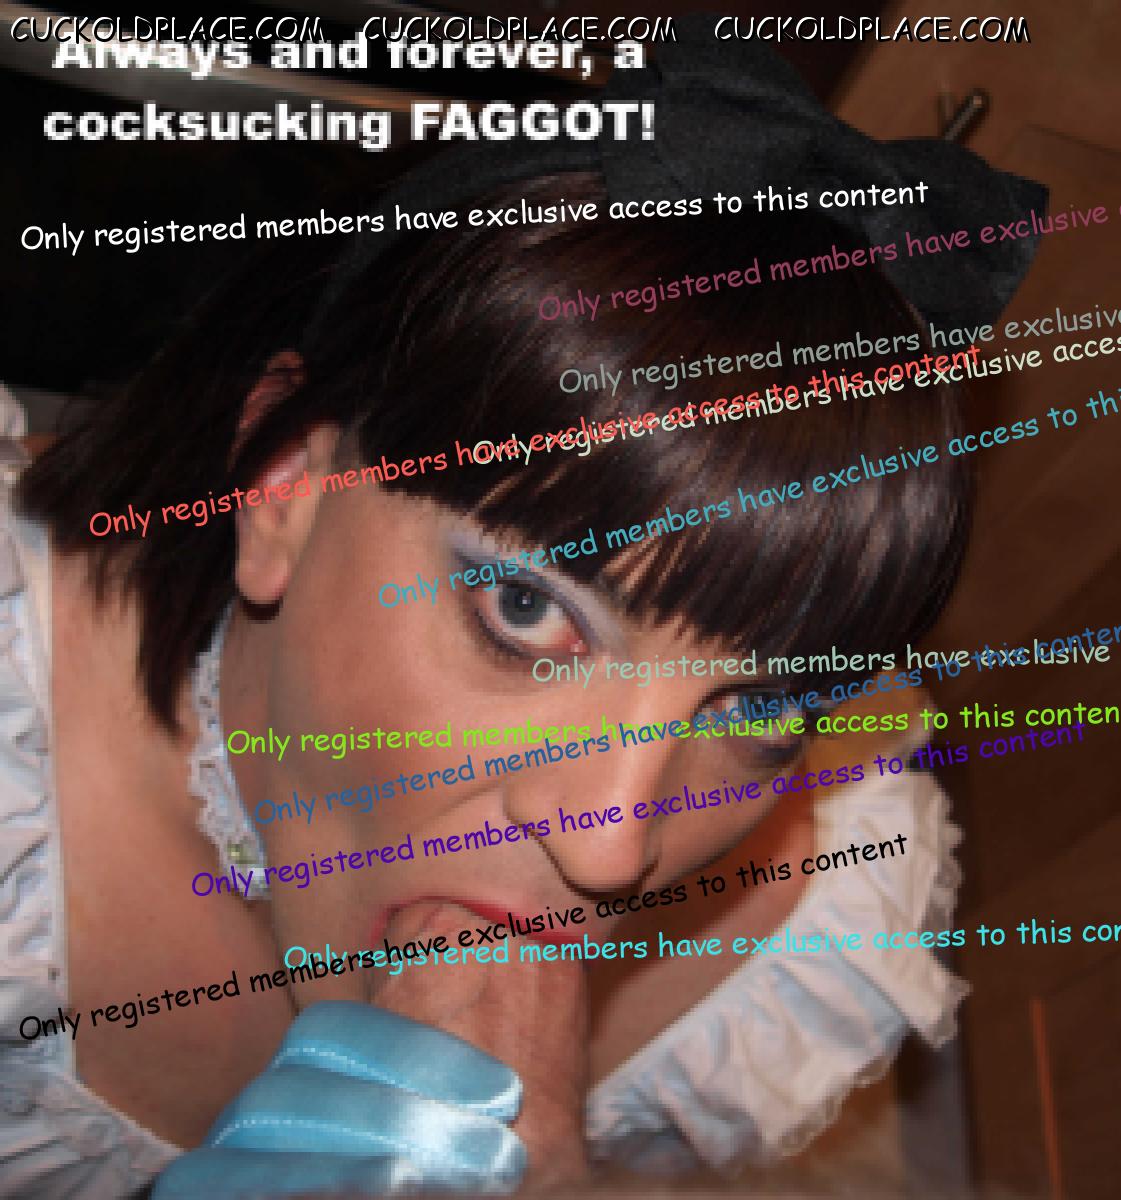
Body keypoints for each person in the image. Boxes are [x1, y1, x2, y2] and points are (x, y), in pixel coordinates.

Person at [0, 22, 1043, 1200]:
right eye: (523, 608)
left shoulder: (786, 933)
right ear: (285, 488)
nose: (612, 850)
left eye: (757, 705)